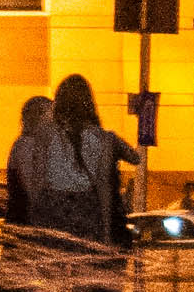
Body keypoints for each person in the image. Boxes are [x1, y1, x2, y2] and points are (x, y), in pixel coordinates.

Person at [26, 73, 129, 251]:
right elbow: (103, 187)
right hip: (86, 208)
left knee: (54, 260)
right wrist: (105, 232)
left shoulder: (46, 133)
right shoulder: (99, 137)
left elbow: (38, 180)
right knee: (82, 260)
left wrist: (34, 216)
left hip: (54, 206)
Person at [2, 93, 56, 232]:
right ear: (39, 117)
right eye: (51, 113)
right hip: (26, 224)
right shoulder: (26, 144)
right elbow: (32, 189)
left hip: (26, 222)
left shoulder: (29, 144)